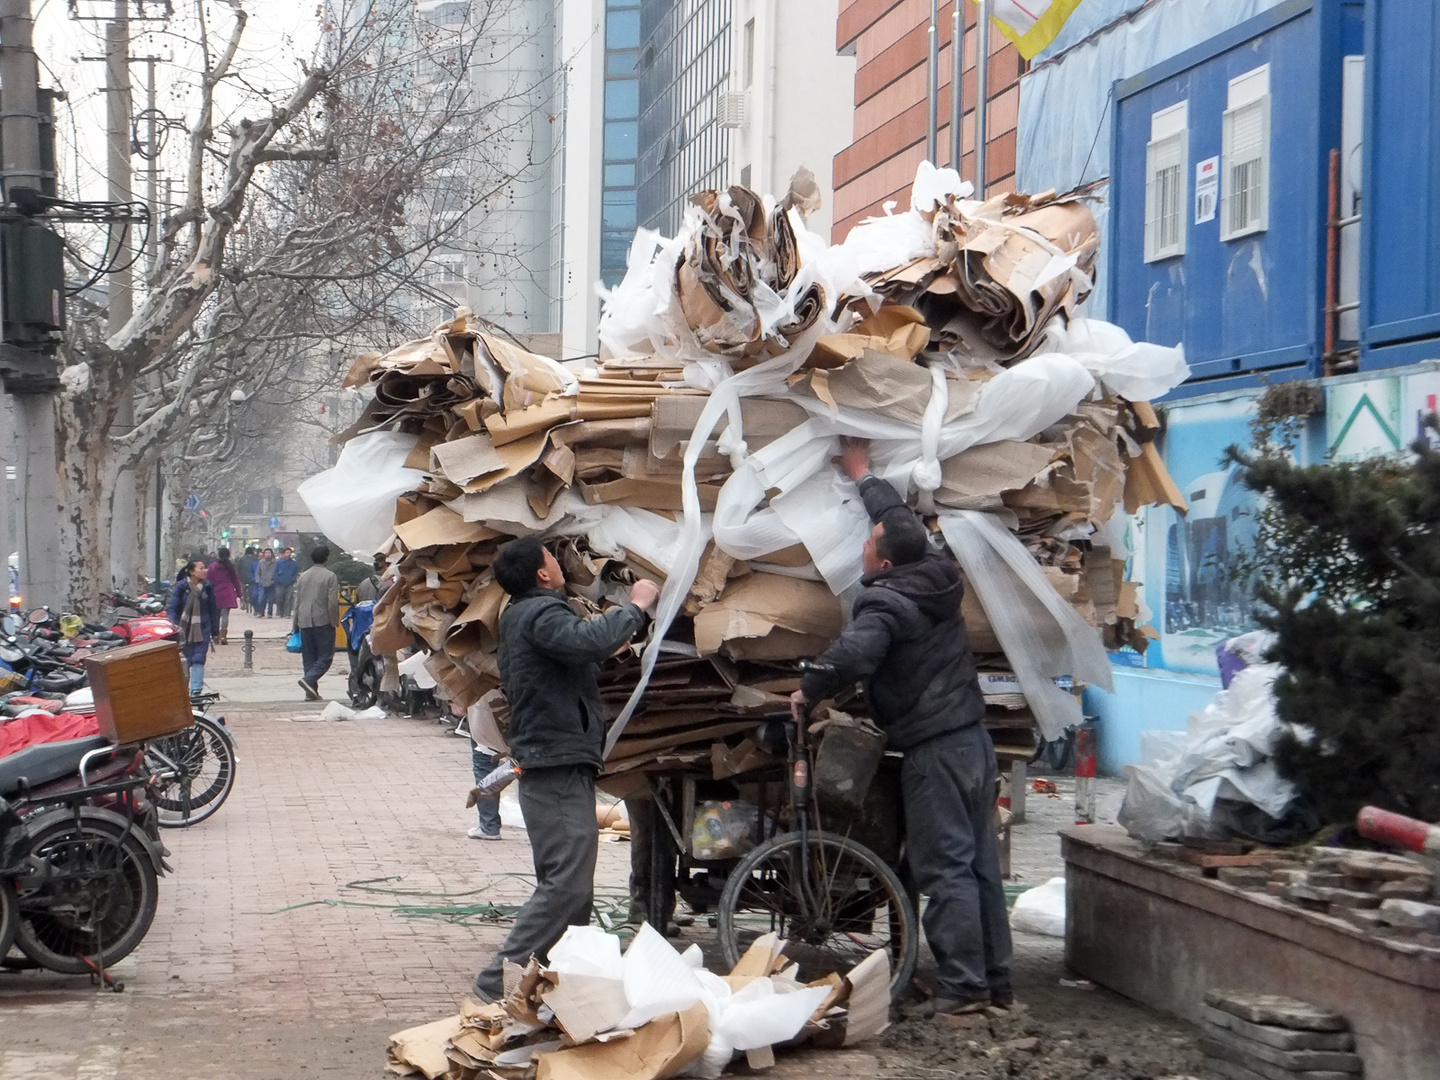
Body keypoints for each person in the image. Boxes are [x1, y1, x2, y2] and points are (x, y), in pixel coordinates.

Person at [790, 438, 1013, 1018]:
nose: (863, 547)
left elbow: (854, 656)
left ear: (883, 565)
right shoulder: (938, 570)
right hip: (974, 742)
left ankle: (963, 988)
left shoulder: (884, 604)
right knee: (981, 865)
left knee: (945, 869)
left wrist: (810, 688)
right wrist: (864, 474)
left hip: (934, 751)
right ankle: (997, 982)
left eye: (867, 547)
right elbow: (896, 520)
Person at [471, 536, 659, 1001]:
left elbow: (579, 652)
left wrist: (606, 645)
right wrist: (635, 607)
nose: (560, 563)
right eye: (554, 558)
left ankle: (553, 981)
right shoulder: (539, 613)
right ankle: (500, 981)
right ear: (543, 573)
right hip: (552, 764)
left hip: (556, 760)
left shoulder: (527, 615)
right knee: (565, 885)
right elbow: (589, 639)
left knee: (572, 886)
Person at [293, 545, 340, 701]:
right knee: (325, 656)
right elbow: (332, 602)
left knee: (309, 658)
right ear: (326, 558)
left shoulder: (303, 576)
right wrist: (334, 621)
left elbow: (297, 601)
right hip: (323, 620)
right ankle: (309, 680)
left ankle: (310, 692)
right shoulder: (330, 576)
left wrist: (295, 624)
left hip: (304, 620)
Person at [167, 559, 220, 696]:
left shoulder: (208, 586)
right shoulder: (181, 587)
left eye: (204, 568)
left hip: (203, 628)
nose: (204, 571)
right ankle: (183, 689)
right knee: (185, 659)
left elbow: (213, 609)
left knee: (199, 657)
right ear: (191, 571)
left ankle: (196, 689)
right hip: (183, 629)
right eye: (201, 568)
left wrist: (215, 630)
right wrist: (173, 626)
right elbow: (172, 608)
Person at [207, 547, 244, 645]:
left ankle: (215, 636)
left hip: (215, 593)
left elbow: (207, 579)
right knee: (225, 616)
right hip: (228, 593)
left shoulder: (213, 566)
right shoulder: (230, 567)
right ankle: (223, 636)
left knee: (215, 616)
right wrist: (240, 594)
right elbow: (236, 581)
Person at [273, 547, 300, 618]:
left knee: (289, 599)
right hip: (279, 584)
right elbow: (275, 572)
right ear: (284, 554)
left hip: (289, 584)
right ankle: (280, 611)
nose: (288, 554)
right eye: (287, 552)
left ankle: (287, 613)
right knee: (279, 598)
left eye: (289, 553)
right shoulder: (279, 563)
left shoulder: (294, 564)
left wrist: (293, 579)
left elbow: (296, 573)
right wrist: (277, 579)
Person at [255, 548, 278, 617]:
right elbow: (257, 573)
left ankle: (270, 613)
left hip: (272, 583)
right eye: (266, 553)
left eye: (269, 553)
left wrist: (275, 580)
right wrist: (258, 581)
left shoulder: (276, 563)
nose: (267, 554)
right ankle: (261, 612)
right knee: (261, 599)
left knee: (270, 599)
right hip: (262, 583)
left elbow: (277, 572)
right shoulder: (261, 562)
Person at [235, 547, 257, 612]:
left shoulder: (242, 559)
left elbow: (238, 568)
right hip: (252, 578)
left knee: (242, 590)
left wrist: (239, 576)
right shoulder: (255, 559)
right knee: (253, 591)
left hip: (243, 578)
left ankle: (243, 602)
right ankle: (253, 604)